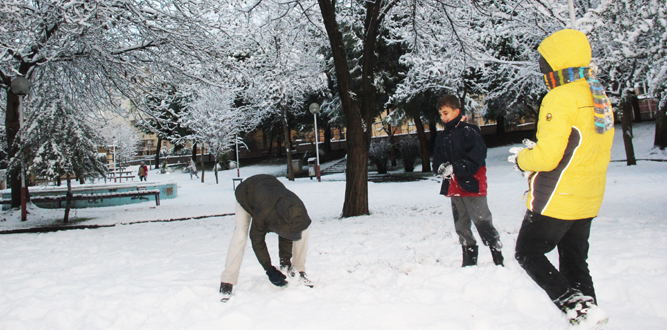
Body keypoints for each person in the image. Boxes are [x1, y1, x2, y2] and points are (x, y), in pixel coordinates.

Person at [509, 29, 613, 327]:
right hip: (588, 197)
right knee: (575, 262)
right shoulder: (597, 94)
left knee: (528, 251)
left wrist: (521, 159)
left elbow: (547, 158)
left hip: (558, 197)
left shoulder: (560, 97)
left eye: (545, 61)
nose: (542, 67)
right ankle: (590, 316)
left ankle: (576, 307)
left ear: (558, 63)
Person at [432, 95, 504, 267]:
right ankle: (469, 258)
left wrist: (456, 167)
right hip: (454, 187)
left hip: (472, 185)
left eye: (446, 113)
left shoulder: (469, 131)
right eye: (441, 115)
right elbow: (437, 159)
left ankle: (497, 254)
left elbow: (477, 157)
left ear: (456, 111)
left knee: (482, 220)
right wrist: (441, 168)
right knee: (461, 224)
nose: (443, 118)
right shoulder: (443, 136)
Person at [219, 174, 312, 302]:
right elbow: (257, 239)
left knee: (304, 230)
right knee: (240, 234)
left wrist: (285, 259)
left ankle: (298, 270)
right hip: (247, 193)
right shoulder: (264, 213)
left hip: (269, 189)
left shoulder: (297, 207)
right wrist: (269, 269)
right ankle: (227, 280)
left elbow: (287, 231)